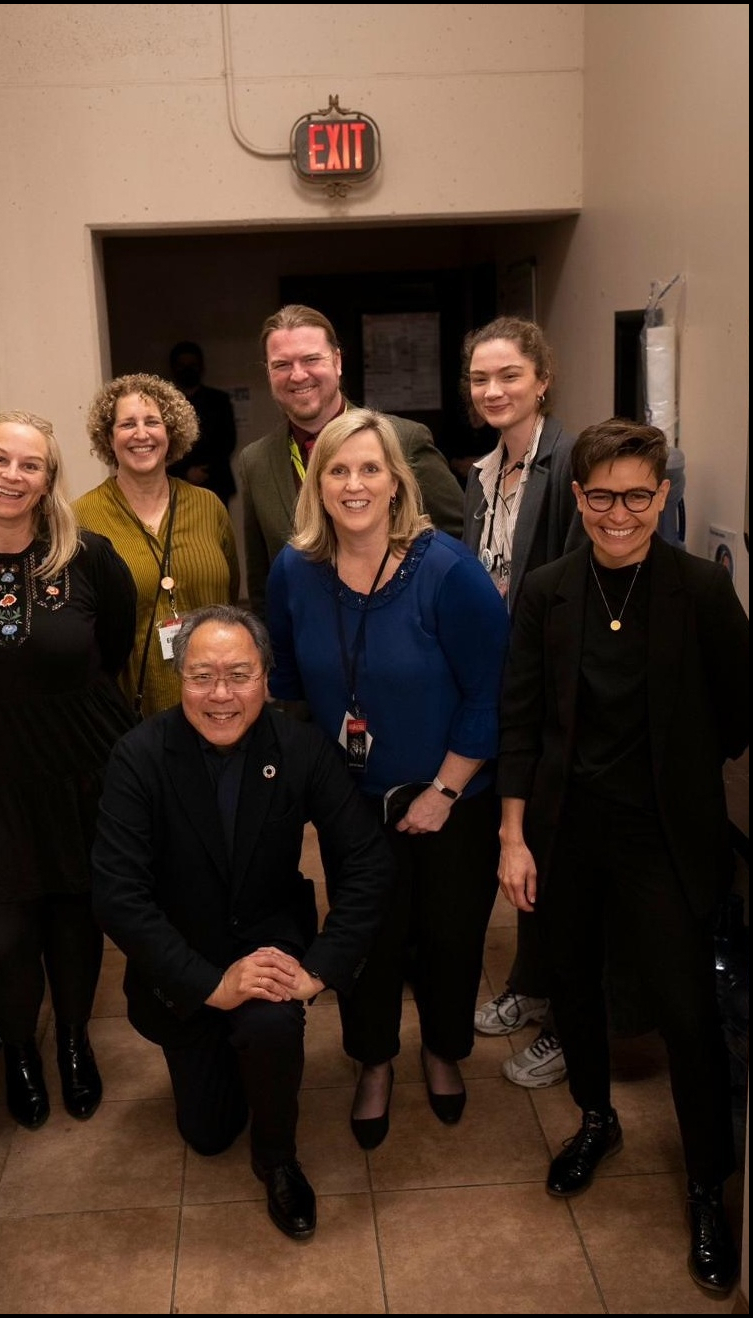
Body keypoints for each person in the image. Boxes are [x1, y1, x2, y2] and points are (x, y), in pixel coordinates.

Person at [496, 418, 748, 1296]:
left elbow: (738, 714)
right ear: (577, 498)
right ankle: (597, 1119)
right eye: (600, 495)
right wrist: (513, 836)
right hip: (565, 835)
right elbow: (520, 721)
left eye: (637, 495)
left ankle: (707, 1186)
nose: (618, 512)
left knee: (687, 1014)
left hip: (665, 840)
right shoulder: (548, 592)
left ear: (663, 497)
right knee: (574, 991)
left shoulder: (699, 593)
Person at [90, 605, 395, 1241]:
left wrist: (319, 968)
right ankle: (228, 1056)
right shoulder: (138, 757)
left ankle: (279, 1160)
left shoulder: (300, 748)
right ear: (180, 680)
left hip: (269, 941)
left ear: (266, 678)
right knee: (207, 1134)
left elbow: (367, 859)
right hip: (183, 959)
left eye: (239, 675)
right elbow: (120, 896)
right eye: (202, 677)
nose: (221, 695)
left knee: (272, 1020)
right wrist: (210, 984)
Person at [265, 408, 510, 1149]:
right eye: (338, 469)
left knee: (448, 935)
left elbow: (491, 691)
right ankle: (373, 1061)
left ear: (398, 482)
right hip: (352, 801)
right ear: (317, 483)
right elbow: (285, 680)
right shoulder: (293, 570)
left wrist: (443, 792)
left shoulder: (448, 572)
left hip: (450, 797)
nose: (354, 483)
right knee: (365, 936)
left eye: (371, 468)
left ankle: (442, 1051)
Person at [0, 410, 138, 1130]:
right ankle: (20, 1053)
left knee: (75, 918)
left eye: (30, 464)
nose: (12, 475)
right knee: (4, 938)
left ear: (48, 480)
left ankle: (72, 1044)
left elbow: (115, 653)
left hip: (82, 771)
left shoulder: (92, 557)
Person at [461, 316, 585, 1090]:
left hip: (556, 695)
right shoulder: (480, 474)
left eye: (508, 375)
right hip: (504, 691)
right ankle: (534, 986)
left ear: (542, 379)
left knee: (561, 859)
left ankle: (572, 1020)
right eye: (480, 379)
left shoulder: (569, 462)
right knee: (525, 849)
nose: (493, 390)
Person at [239, 303, 465, 618]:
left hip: (402, 640)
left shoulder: (403, 440)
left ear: (337, 361)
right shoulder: (255, 462)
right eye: (282, 364)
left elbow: (461, 536)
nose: (298, 374)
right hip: (308, 653)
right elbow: (263, 586)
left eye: (311, 359)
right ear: (268, 373)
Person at [73, 373, 240, 718]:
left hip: (218, 705)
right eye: (127, 424)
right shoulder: (81, 518)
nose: (141, 434)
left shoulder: (209, 506)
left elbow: (230, 602)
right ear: (108, 437)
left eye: (153, 421)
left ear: (171, 432)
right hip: (126, 714)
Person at [165, 340, 238, 508]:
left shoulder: (219, 400)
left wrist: (205, 470)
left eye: (192, 365)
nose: (188, 369)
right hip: (175, 482)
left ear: (201, 366)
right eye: (182, 365)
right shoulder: (164, 405)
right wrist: (185, 472)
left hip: (216, 481)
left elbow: (228, 441)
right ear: (173, 368)